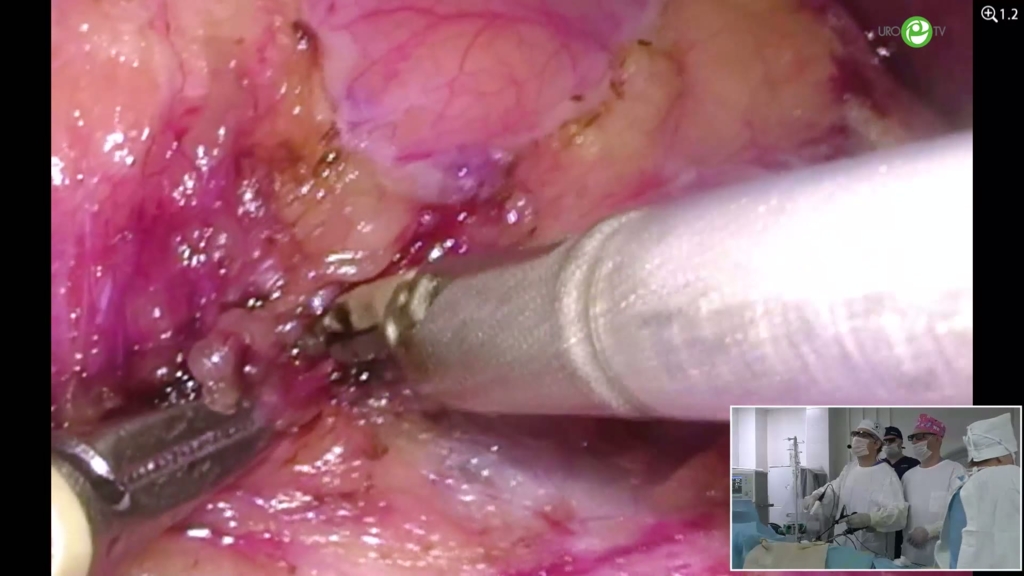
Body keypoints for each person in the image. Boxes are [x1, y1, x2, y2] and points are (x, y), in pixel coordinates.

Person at [802, 419, 907, 557]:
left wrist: (870, 519)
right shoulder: (850, 469)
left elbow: (899, 514)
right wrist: (816, 495)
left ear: (876, 444)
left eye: (863, 435)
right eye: (855, 434)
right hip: (843, 544)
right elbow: (833, 488)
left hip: (871, 550)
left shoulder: (887, 475)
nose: (857, 438)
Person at [935, 412, 1021, 570]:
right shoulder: (1016, 478)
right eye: (1012, 455)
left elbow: (955, 550)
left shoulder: (963, 488)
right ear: (1001, 457)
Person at [898, 414, 965, 567]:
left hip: (942, 560)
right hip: (909, 558)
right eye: (913, 437)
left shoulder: (955, 471)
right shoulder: (908, 476)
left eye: (921, 437)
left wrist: (930, 531)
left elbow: (961, 515)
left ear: (937, 439)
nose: (915, 442)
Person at [881, 425, 920, 559]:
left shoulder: (913, 464)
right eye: (885, 441)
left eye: (891, 440)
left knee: (903, 555)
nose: (888, 444)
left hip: (908, 515)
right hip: (884, 516)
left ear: (901, 442)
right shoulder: (879, 466)